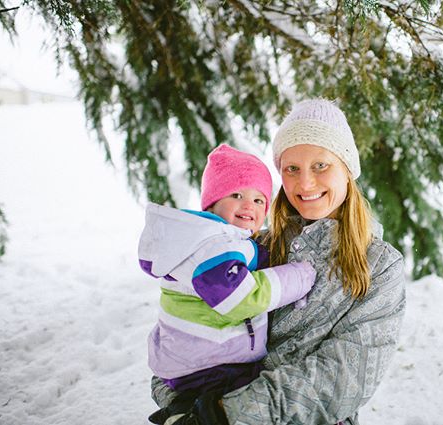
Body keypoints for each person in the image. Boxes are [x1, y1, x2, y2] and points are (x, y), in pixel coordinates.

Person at [150, 99, 406, 425]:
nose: (305, 183)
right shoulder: (252, 248)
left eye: (321, 165)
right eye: (292, 169)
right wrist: (179, 405)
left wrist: (223, 413)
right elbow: (181, 334)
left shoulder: (379, 266)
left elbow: (343, 377)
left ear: (347, 169)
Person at [138, 144, 317, 423]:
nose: (249, 205)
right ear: (211, 203)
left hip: (198, 360)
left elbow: (244, 263)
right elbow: (237, 297)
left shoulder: (216, 242)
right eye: (237, 195)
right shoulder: (211, 245)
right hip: (210, 367)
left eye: (259, 200)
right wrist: (299, 277)